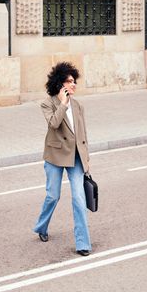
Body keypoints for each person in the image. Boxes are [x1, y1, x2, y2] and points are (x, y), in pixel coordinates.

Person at [33, 62, 92, 256]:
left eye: (74, 81)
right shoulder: (48, 103)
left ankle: (83, 243)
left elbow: (82, 134)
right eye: (69, 81)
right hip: (55, 156)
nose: (74, 85)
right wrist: (63, 104)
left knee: (79, 197)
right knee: (53, 196)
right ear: (60, 84)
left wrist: (86, 160)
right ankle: (42, 226)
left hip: (75, 157)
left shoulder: (78, 105)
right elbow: (54, 124)